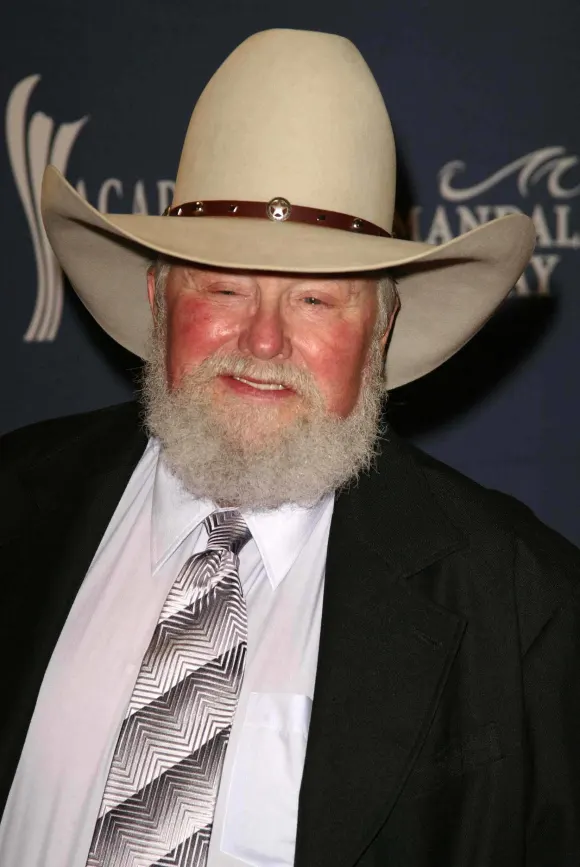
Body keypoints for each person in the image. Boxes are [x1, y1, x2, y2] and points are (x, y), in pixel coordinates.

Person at [1, 27, 579, 867]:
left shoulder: (528, 612)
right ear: (158, 300)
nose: (264, 342)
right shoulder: (13, 504)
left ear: (381, 330)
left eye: (316, 300)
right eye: (225, 287)